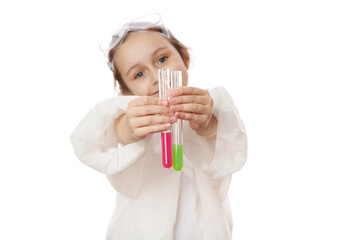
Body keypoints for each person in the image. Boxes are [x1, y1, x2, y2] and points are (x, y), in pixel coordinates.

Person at [70, 13, 247, 240]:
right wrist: (129, 129)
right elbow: (105, 134)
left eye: (162, 59)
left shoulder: (209, 103)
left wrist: (209, 122)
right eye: (139, 74)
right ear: (126, 92)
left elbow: (232, 144)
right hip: (140, 231)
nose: (156, 77)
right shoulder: (128, 115)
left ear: (184, 58)